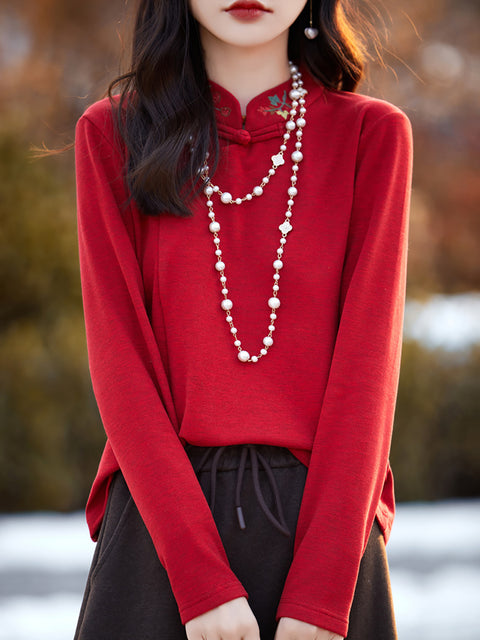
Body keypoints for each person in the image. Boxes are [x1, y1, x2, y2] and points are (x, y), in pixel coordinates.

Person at [73, 1, 413, 639]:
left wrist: (323, 589)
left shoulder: (372, 136)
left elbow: (370, 376)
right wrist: (198, 579)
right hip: (161, 537)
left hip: (324, 533)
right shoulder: (110, 135)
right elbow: (119, 366)